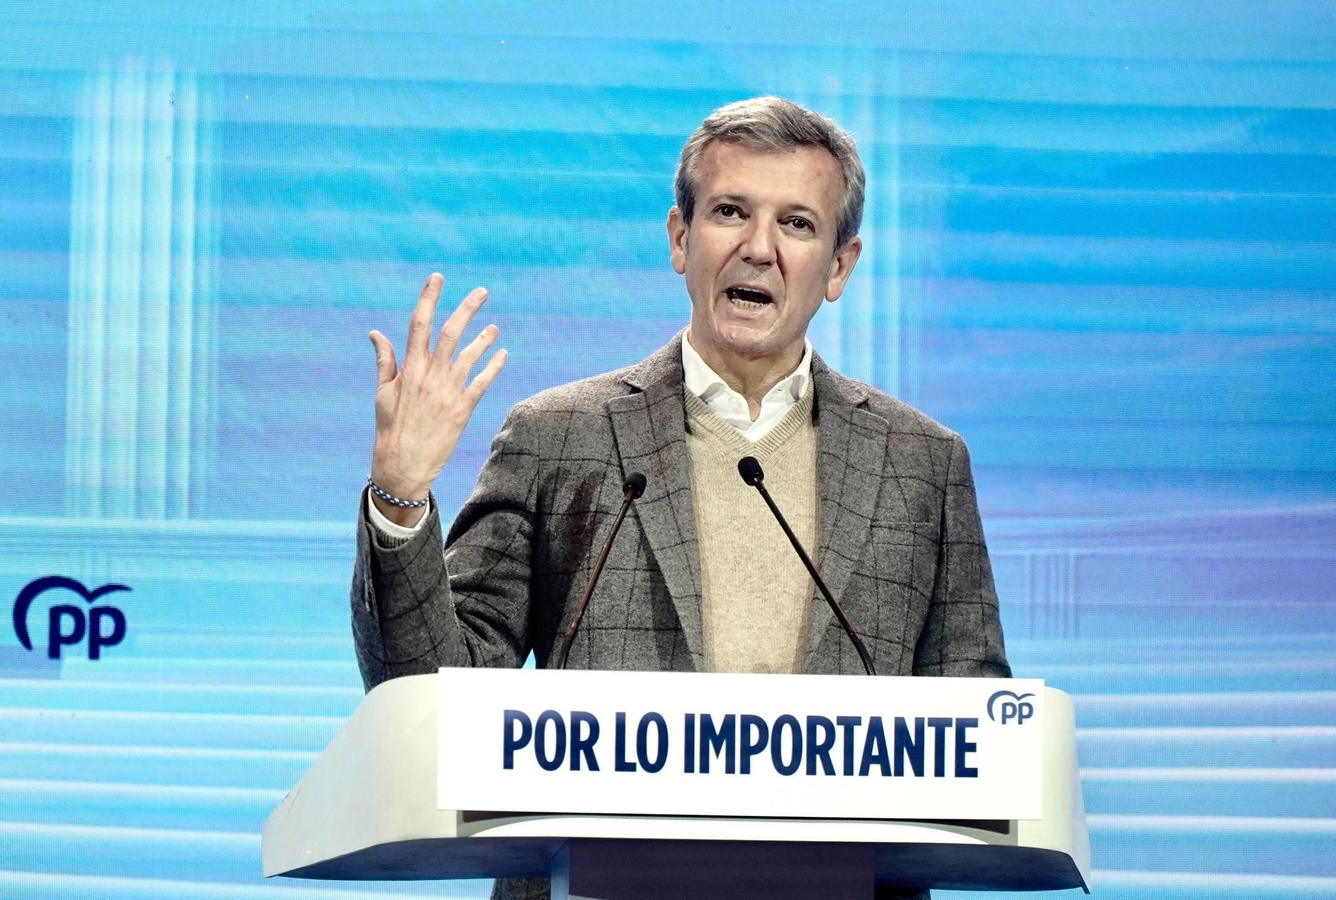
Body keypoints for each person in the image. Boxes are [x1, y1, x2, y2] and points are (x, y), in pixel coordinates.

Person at [350, 96, 1010, 900]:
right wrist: (402, 496)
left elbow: (976, 744)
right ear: (679, 238)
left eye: (797, 224)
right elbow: (428, 700)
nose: (759, 249)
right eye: (731, 211)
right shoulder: (561, 436)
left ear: (840, 267)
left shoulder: (924, 464)